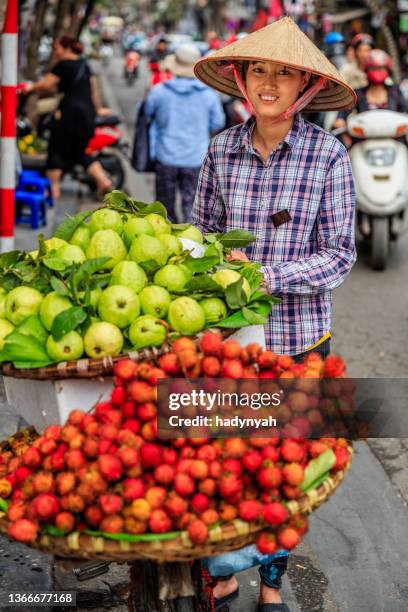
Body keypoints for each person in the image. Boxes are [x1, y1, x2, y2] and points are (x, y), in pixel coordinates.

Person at [192, 17, 357, 610]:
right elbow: (201, 236)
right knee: (226, 462)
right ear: (241, 79)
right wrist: (213, 262)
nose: (269, 82)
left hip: (298, 340)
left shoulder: (328, 156)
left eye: (283, 73)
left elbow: (339, 257)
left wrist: (261, 275)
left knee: (286, 475)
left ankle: (270, 582)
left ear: (304, 88)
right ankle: (225, 568)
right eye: (258, 70)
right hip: (231, 342)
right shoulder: (220, 151)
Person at [145, 44, 225, 222]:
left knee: (164, 210)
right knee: (193, 208)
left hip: (166, 157)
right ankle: (190, 245)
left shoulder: (158, 92)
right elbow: (218, 122)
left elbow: (146, 114)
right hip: (196, 159)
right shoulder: (209, 95)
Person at [25, 35, 112, 200]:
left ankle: (53, 190)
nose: (56, 52)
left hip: (70, 115)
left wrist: (30, 87)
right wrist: (99, 109)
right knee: (80, 151)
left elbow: (46, 84)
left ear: (67, 48)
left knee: (56, 150)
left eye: (57, 49)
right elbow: (94, 89)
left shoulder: (63, 65)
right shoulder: (84, 65)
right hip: (87, 116)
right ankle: (103, 179)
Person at [334, 49, 407, 143]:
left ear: (387, 70)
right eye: (373, 68)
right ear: (366, 70)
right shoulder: (359, 93)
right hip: (363, 143)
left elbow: (405, 110)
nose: (377, 72)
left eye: (381, 68)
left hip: (394, 143)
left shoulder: (395, 91)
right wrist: (340, 120)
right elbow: (343, 113)